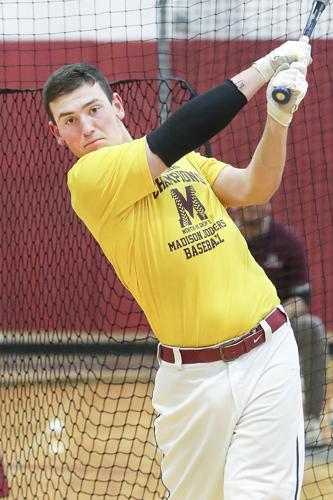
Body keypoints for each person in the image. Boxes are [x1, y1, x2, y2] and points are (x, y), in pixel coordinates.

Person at [42, 40, 312, 499]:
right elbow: (179, 133)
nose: (86, 127)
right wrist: (263, 68)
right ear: (58, 134)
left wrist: (279, 116)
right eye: (70, 121)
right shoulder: (88, 180)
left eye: (93, 110)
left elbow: (253, 185)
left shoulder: (186, 162)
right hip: (191, 380)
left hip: (269, 349)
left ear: (119, 106)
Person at [234, 202, 327, 447]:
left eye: (259, 198)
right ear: (234, 204)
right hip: (232, 329)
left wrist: (270, 322)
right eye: (247, 199)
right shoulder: (224, 240)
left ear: (269, 204)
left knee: (312, 328)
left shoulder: (286, 241)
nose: (253, 205)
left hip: (278, 326)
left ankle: (310, 422)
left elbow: (301, 299)